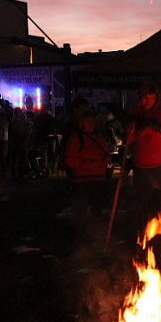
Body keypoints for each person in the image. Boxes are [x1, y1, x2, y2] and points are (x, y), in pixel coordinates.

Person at [128, 81, 161, 230]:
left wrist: (151, 126)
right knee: (143, 204)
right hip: (142, 165)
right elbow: (130, 140)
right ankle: (143, 236)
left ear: (156, 97)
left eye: (151, 98)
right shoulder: (137, 114)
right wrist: (130, 131)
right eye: (145, 98)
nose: (147, 101)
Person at [64, 102, 110, 238]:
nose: (91, 124)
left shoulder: (98, 137)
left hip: (98, 180)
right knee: (81, 212)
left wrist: (106, 160)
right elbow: (71, 161)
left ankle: (97, 236)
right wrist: (95, 163)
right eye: (88, 121)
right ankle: (80, 238)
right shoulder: (76, 139)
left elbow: (105, 152)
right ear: (81, 123)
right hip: (83, 181)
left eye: (92, 121)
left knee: (97, 210)